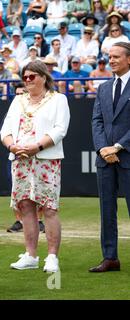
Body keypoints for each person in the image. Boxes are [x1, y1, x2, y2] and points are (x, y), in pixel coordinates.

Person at [0, 60, 70, 273]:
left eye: (32, 76)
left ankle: (51, 257)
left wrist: (37, 147)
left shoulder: (59, 100)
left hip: (46, 159)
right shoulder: (18, 101)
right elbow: (5, 130)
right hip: (20, 159)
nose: (28, 80)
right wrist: (12, 146)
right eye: (25, 77)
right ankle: (30, 255)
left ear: (44, 77)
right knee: (25, 206)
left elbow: (60, 130)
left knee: (49, 207)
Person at [90, 42, 130, 273]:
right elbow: (97, 121)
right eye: (109, 56)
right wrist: (103, 149)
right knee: (107, 210)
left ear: (128, 59)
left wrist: (117, 147)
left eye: (116, 56)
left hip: (126, 156)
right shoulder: (103, 88)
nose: (111, 60)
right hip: (104, 159)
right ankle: (110, 258)